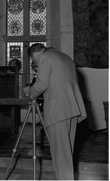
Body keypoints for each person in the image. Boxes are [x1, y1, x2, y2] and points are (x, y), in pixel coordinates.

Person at [23, 43, 87, 180]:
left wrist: (29, 91)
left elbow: (41, 84)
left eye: (33, 60)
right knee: (67, 153)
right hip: (72, 109)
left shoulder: (44, 57)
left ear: (34, 55)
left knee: (60, 155)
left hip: (58, 111)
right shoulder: (64, 57)